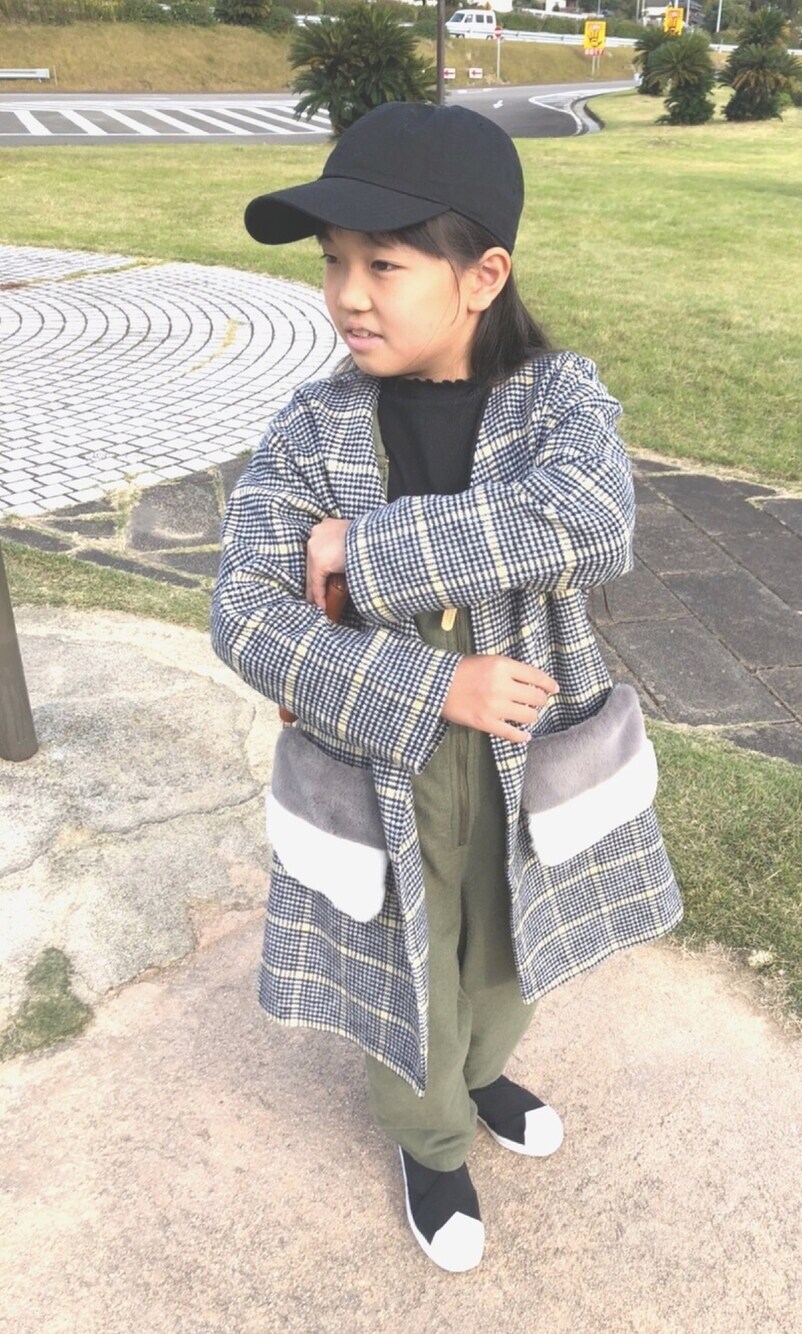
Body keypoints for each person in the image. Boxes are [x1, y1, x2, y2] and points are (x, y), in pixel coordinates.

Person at [211, 101, 682, 1274]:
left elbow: (592, 520)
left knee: (512, 946)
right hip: (382, 760)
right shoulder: (311, 427)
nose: (348, 295)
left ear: (482, 277)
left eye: (384, 264)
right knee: (403, 960)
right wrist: (435, 687)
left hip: (534, 750)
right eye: (334, 263)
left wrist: (359, 550)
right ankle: (430, 1138)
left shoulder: (555, 398)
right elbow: (244, 613)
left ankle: (482, 1070)